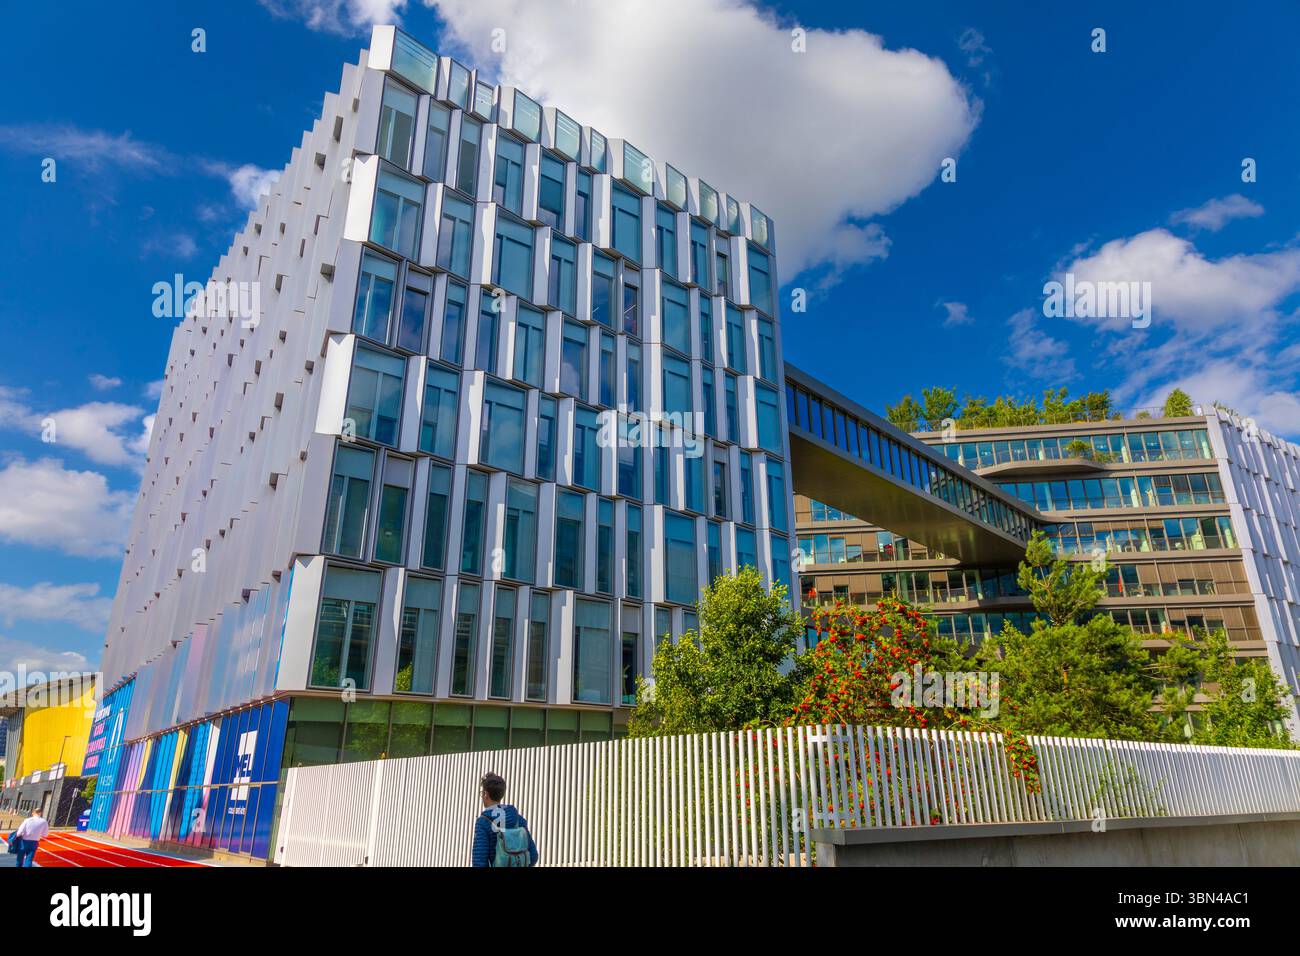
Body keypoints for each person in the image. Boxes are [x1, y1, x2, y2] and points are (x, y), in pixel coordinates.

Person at [471, 772, 538, 867]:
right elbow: (533, 856)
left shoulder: (484, 822)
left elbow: (479, 861)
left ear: (485, 794)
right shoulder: (518, 819)